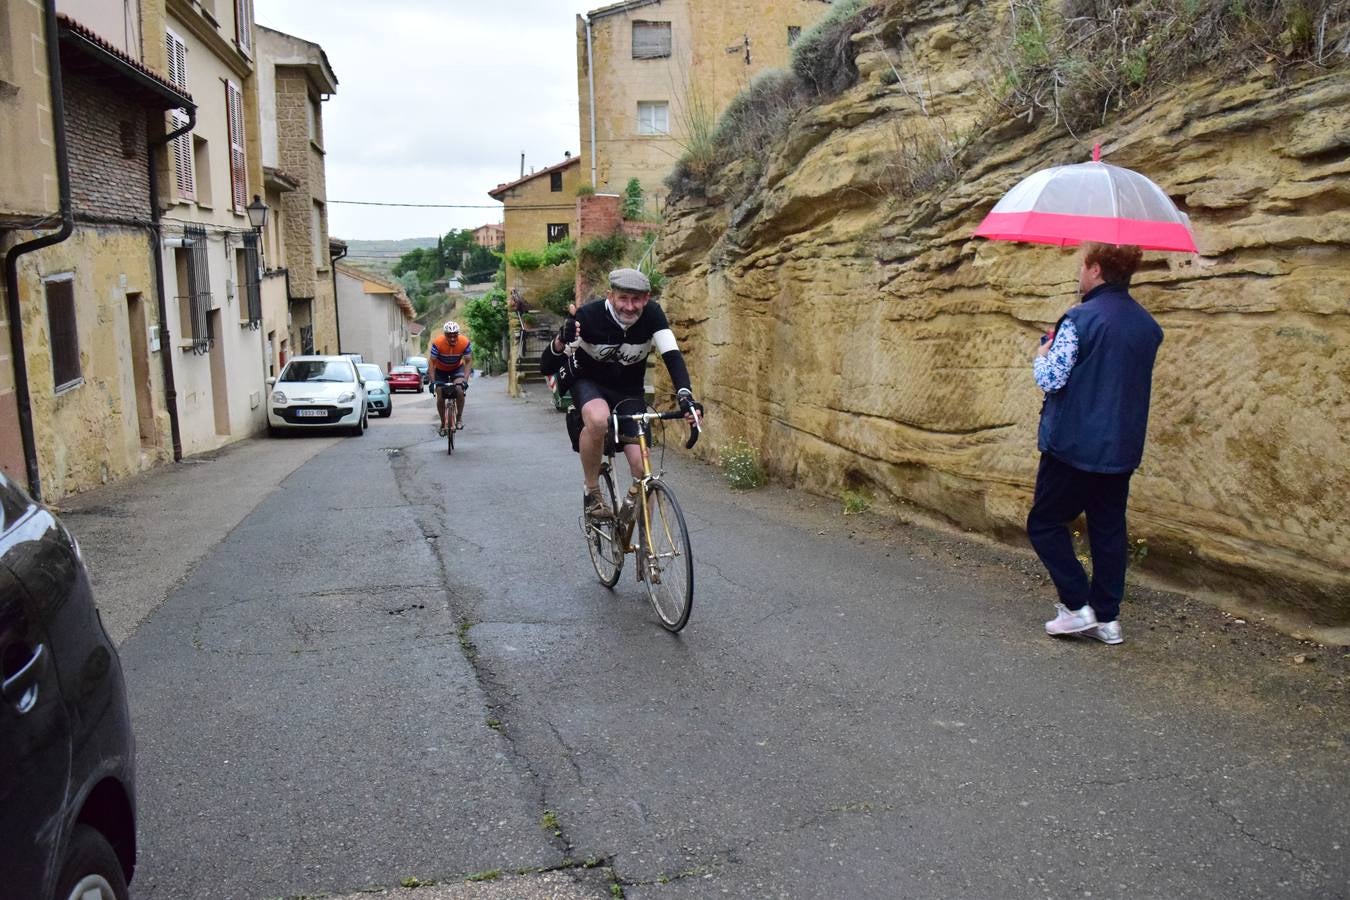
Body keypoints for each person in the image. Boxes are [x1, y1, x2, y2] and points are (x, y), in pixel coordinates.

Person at [1029, 242, 1163, 646]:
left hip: (1073, 446)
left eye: (1082, 267)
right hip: (1120, 448)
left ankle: (1076, 606)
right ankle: (1107, 619)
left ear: (1097, 270)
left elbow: (1051, 379)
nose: (1079, 275)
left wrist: (1042, 353)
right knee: (1107, 530)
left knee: (1045, 523)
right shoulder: (1147, 326)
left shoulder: (1080, 319)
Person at [540, 268, 701, 519]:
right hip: (588, 382)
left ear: (646, 299)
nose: (629, 306)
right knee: (598, 418)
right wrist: (562, 339)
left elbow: (672, 354)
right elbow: (546, 367)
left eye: (636, 299)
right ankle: (592, 492)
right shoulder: (589, 316)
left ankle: (647, 552)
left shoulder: (653, 315)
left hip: (628, 391)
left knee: (642, 469)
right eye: (623, 298)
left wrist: (685, 394)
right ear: (610, 295)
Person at [429, 321, 472, 435]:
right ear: (445, 334)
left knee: (459, 390)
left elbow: (468, 362)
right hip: (440, 370)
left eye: (455, 335)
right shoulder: (437, 343)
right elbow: (432, 363)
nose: (452, 338)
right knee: (440, 394)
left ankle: (459, 418)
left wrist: (465, 381)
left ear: (458, 334)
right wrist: (432, 382)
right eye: (449, 335)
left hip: (456, 369)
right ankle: (443, 423)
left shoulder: (464, 342)